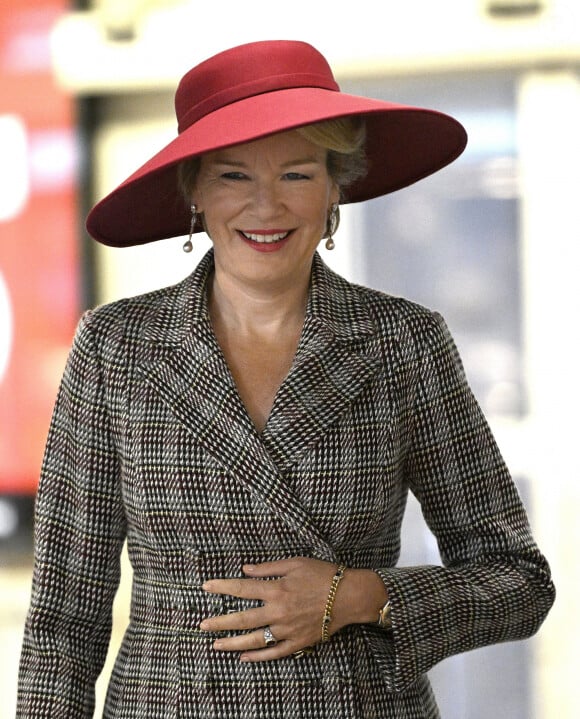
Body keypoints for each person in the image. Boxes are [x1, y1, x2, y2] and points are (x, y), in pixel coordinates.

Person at [17, 40, 555, 719]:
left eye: (297, 175)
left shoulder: (402, 343)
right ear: (195, 191)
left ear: (337, 186)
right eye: (235, 176)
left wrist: (357, 595)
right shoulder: (116, 348)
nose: (266, 206)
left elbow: (518, 580)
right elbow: (64, 618)